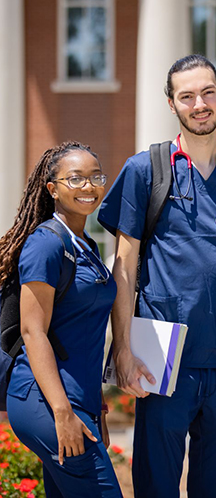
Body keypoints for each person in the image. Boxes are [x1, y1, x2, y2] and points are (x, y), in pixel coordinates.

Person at [97, 54, 216, 498]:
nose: (199, 104)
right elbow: (122, 266)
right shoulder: (146, 170)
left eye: (208, 92)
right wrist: (121, 348)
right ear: (171, 103)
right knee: (156, 488)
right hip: (162, 364)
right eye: (187, 96)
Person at [0, 142, 122, 497]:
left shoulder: (87, 246)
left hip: (77, 401)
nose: (89, 186)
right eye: (76, 179)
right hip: (46, 402)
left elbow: (84, 336)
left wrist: (96, 407)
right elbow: (32, 330)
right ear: (52, 188)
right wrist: (63, 413)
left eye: (96, 177)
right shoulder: (46, 244)